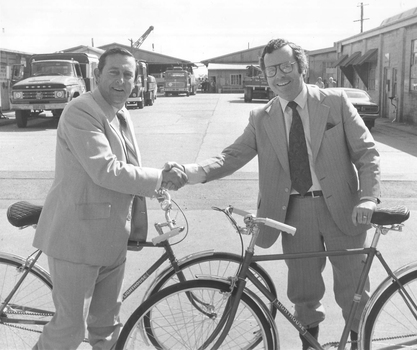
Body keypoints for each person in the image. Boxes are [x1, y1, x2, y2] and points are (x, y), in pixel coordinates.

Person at [167, 38, 380, 349]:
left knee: (353, 289)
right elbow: (231, 156)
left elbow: (367, 153)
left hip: (343, 210)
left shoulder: (334, 102)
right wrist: (189, 172)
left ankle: (362, 343)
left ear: (302, 68)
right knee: (303, 292)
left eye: (286, 66)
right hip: (293, 214)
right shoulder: (261, 118)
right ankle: (311, 345)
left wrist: (368, 197)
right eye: (271, 70)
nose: (280, 75)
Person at [32, 47, 187, 350]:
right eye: (114, 72)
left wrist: (157, 186)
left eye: (128, 75)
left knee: (106, 327)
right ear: (97, 75)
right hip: (77, 238)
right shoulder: (82, 110)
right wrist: (159, 177)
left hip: (112, 237)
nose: (121, 81)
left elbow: (129, 165)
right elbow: (105, 170)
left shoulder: (121, 111)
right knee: (68, 330)